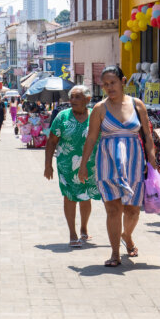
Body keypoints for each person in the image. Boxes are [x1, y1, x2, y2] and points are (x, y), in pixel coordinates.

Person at [78, 65, 158, 267]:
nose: (109, 87)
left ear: (123, 82)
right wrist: (83, 165)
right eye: (105, 84)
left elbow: (147, 135)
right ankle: (115, 253)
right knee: (113, 210)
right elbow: (91, 138)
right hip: (107, 163)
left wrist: (152, 158)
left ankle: (127, 235)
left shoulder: (137, 105)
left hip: (134, 163)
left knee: (132, 211)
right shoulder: (99, 108)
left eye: (112, 83)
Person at [44, 85, 101, 248]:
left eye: (77, 97)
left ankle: (83, 227)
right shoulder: (62, 117)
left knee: (85, 196)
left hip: (90, 165)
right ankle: (72, 233)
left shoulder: (95, 116)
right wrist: (48, 165)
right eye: (72, 97)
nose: (73, 100)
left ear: (88, 99)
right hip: (67, 165)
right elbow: (51, 142)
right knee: (69, 196)